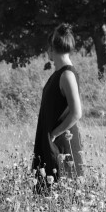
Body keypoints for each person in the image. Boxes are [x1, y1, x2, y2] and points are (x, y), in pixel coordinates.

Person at [32, 23, 84, 191]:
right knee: (49, 198)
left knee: (62, 195)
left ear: (51, 49)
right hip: (52, 141)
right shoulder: (59, 74)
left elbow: (76, 113)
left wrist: (54, 134)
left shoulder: (67, 74)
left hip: (60, 144)